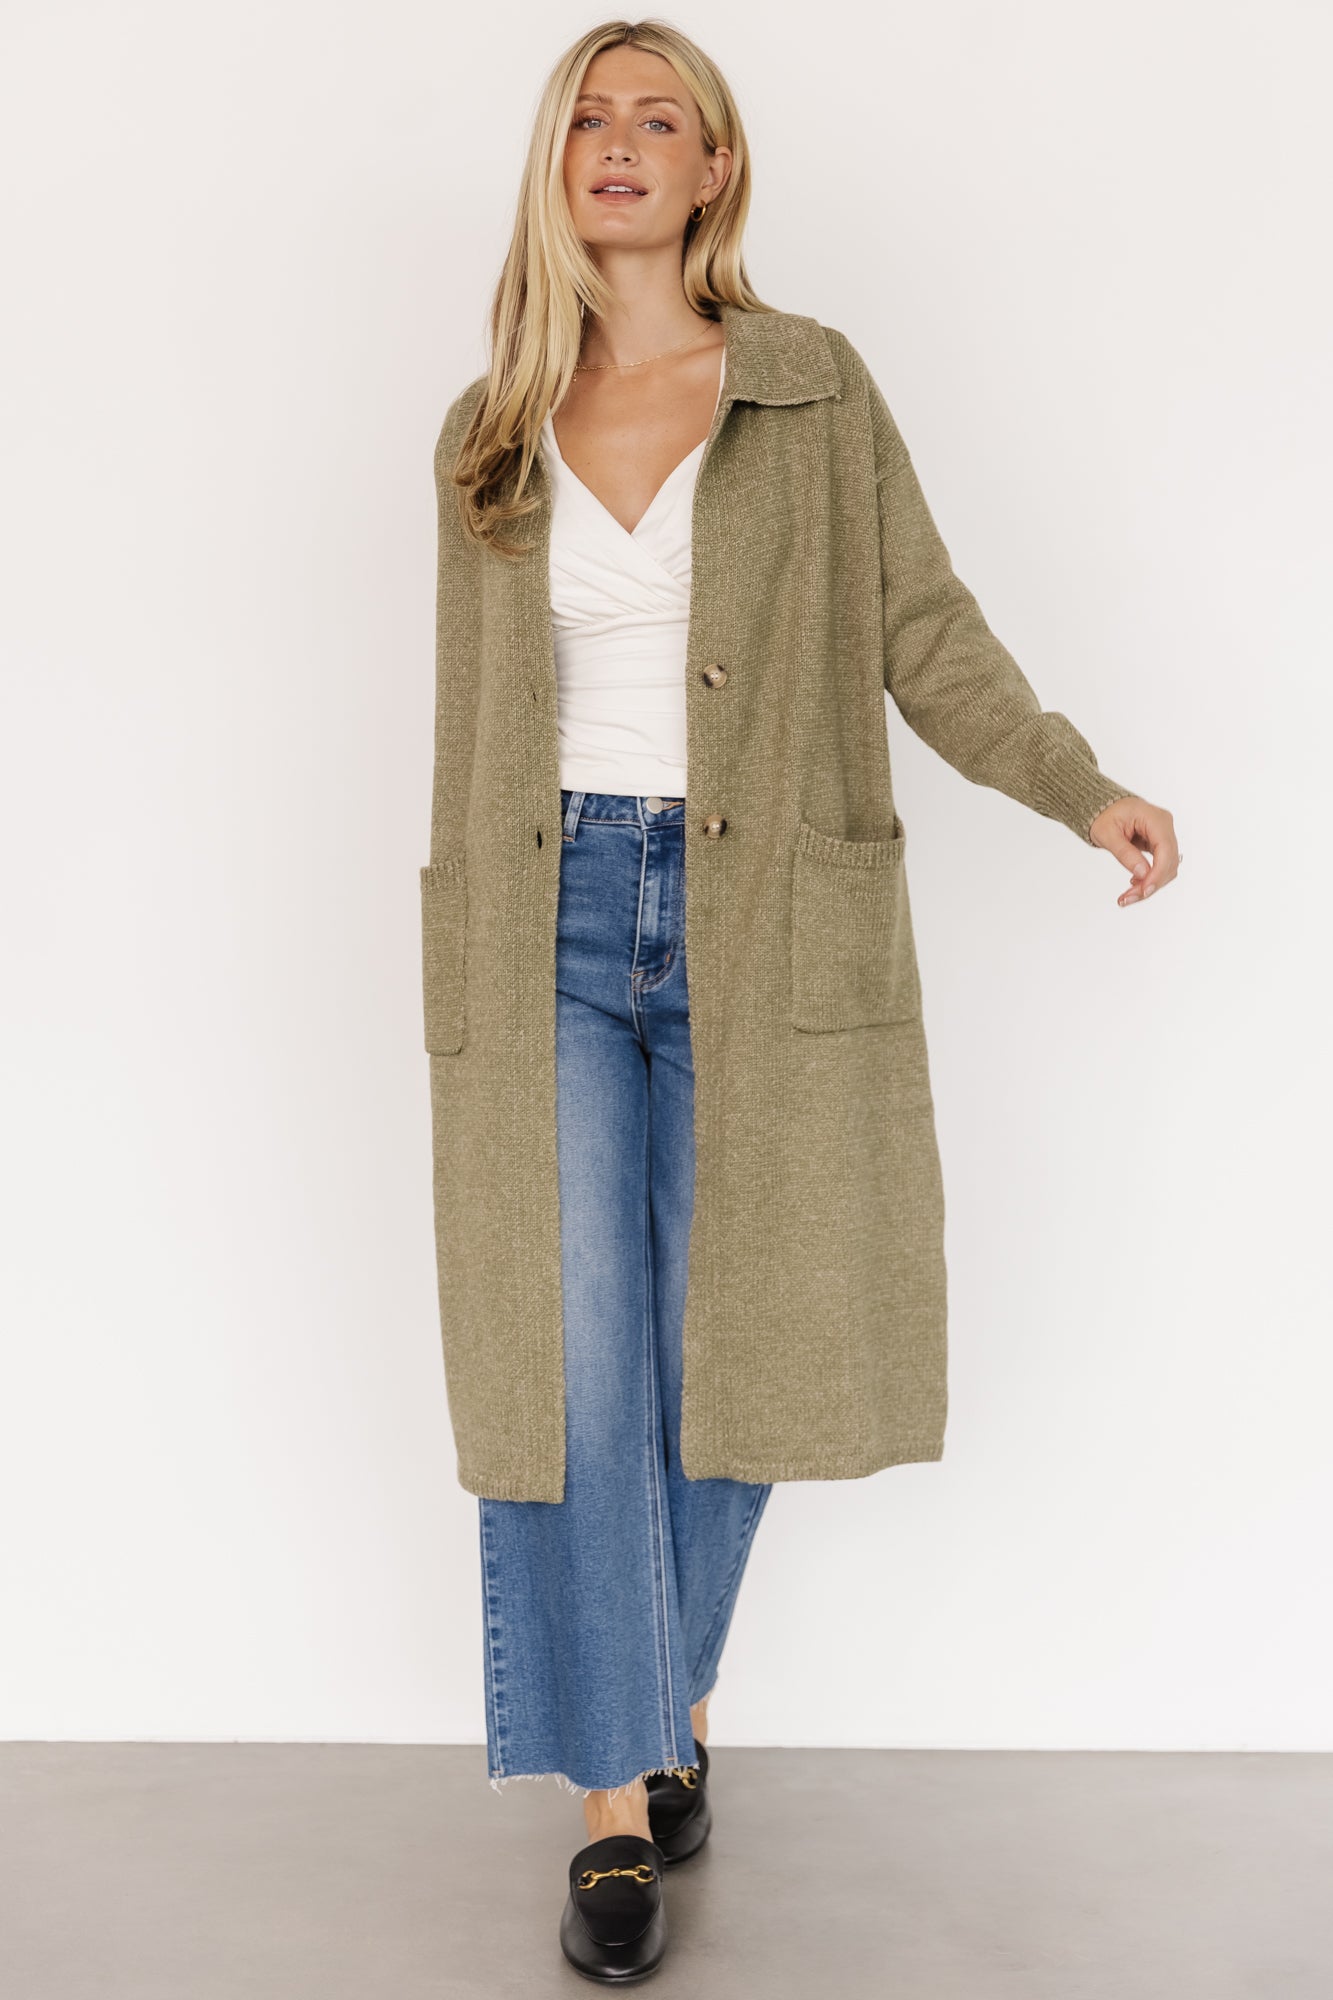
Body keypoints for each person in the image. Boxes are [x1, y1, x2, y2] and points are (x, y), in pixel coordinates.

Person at [422, 19, 1179, 1984]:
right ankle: (616, 1799)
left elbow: (919, 621)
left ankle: (659, 1694)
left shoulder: (810, 387)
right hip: (546, 924)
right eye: (587, 116)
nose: (618, 142)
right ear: (554, 165)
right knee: (574, 1363)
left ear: (713, 170)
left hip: (765, 918)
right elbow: (464, 729)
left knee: (746, 1344)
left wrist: (1070, 781)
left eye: (657, 117)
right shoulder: (490, 425)